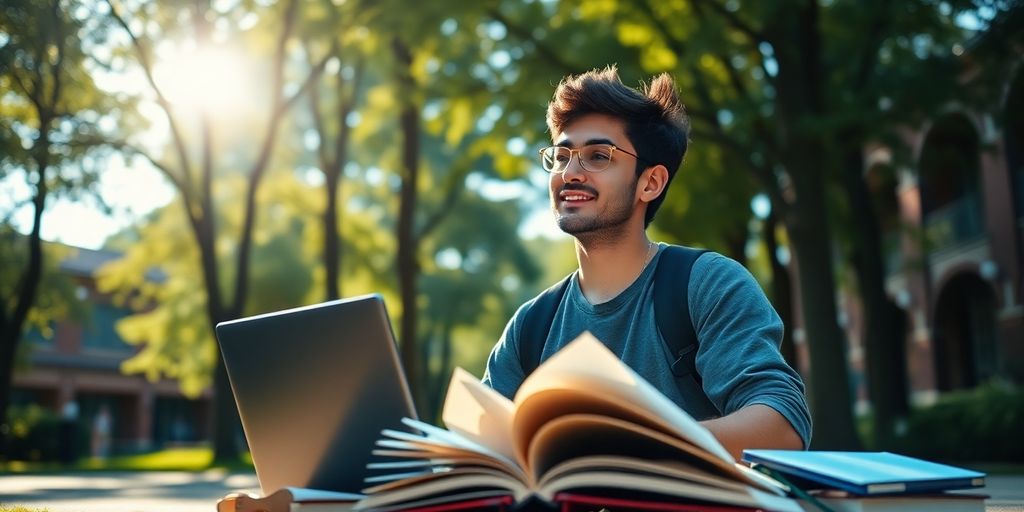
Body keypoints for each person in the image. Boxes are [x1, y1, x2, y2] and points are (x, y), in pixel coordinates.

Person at [481, 66, 811, 459]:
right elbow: (482, 449)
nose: (569, 173)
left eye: (598, 156)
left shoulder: (707, 284)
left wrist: (630, 446)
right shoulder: (530, 327)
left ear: (650, 183)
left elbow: (782, 426)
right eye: (562, 155)